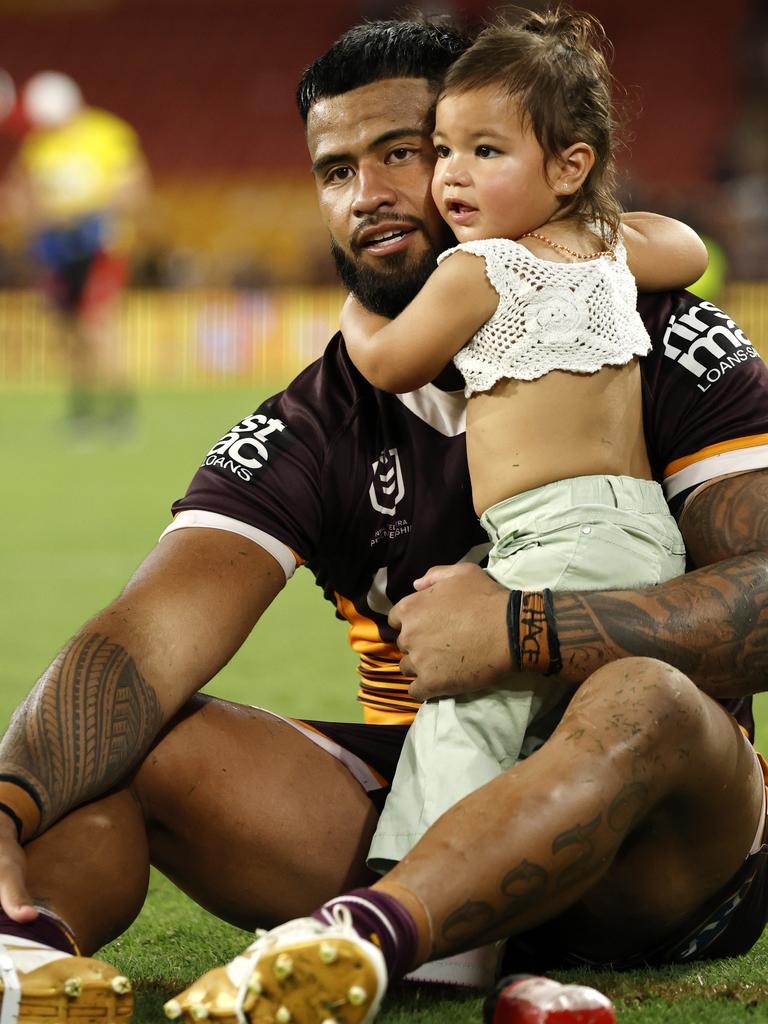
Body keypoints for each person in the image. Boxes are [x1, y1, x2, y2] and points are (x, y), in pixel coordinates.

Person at [0, 15, 766, 1024]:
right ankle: (26, 953)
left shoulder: (639, 325)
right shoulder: (316, 421)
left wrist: (520, 630)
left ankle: (373, 936)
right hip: (426, 802)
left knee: (644, 696)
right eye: (334, 169)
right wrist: (7, 806)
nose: (370, 194)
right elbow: (141, 646)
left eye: (409, 151)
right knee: (138, 741)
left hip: (656, 857)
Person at [340, 10, 699, 870]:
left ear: (572, 165)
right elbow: (684, 248)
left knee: (469, 707)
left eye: (486, 153)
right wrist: (596, 226)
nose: (451, 177)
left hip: (558, 536)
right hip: (640, 532)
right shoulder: (603, 249)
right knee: (560, 720)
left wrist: (356, 307)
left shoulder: (476, 271)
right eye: (444, 150)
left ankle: (417, 898)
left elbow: (391, 365)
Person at [3, 71, 150, 433]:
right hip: (57, 253)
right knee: (68, 332)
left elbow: (134, 192)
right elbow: (20, 194)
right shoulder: (38, 145)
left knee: (97, 326)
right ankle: (82, 410)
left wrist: (76, 214)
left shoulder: (107, 134)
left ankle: (119, 410)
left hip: (101, 247)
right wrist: (39, 220)